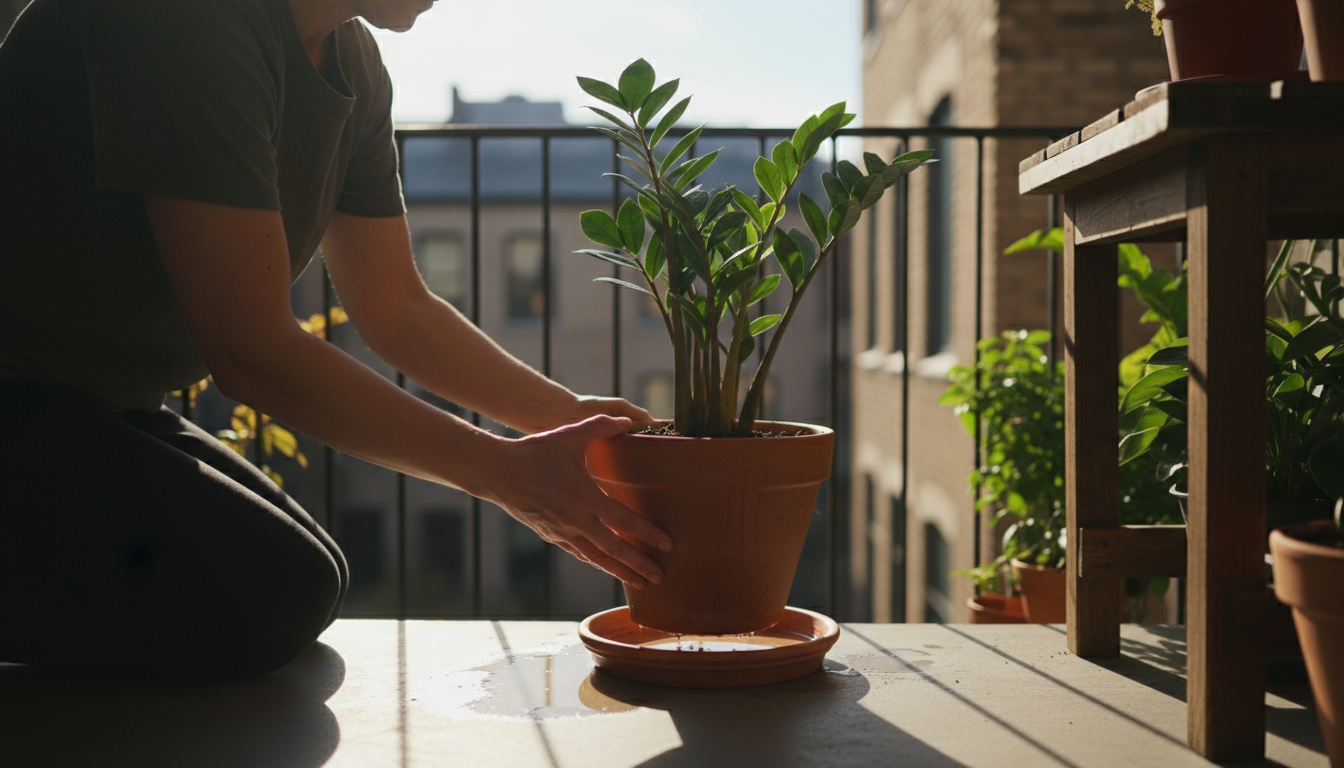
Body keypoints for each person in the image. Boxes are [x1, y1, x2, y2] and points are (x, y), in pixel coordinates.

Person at [0, 0, 671, 680]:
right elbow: (250, 351)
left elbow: (398, 307)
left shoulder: (354, 65)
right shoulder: (190, 20)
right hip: (19, 390)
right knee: (273, 590)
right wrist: (504, 475)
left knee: (303, 576)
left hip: (97, 402)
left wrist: (576, 421)